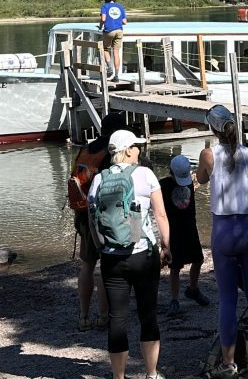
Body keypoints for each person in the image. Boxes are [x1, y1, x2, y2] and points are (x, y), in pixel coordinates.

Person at [196, 105, 248, 379]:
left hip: (224, 231)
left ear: (213, 129)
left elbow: (201, 179)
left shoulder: (208, 154)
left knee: (228, 299)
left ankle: (229, 365)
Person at [89, 129, 171, 379]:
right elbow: (160, 215)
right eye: (136, 146)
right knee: (148, 313)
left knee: (117, 318)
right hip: (142, 254)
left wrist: (101, 249)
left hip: (112, 257)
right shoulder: (145, 174)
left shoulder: (99, 179)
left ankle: (119, 377)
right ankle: (152, 373)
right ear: (126, 150)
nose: (139, 150)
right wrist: (167, 246)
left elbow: (93, 220)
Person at [71, 111, 127, 331]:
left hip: (82, 213)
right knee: (106, 266)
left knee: (87, 265)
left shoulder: (85, 149)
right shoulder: (110, 153)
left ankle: (83, 316)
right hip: (104, 215)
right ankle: (104, 315)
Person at [159, 154, 210, 315]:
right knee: (175, 266)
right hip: (173, 230)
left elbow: (192, 203)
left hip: (189, 227)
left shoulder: (189, 183)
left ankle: (193, 289)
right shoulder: (163, 185)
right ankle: (174, 299)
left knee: (199, 259)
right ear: (171, 172)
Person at [99, 0, 127, 80]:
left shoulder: (105, 6)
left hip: (109, 30)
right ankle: (117, 76)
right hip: (119, 31)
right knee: (116, 52)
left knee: (104, 48)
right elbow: (124, 22)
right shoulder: (120, 7)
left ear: (106, 0)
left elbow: (103, 19)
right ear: (114, 0)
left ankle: (109, 67)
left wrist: (100, 26)